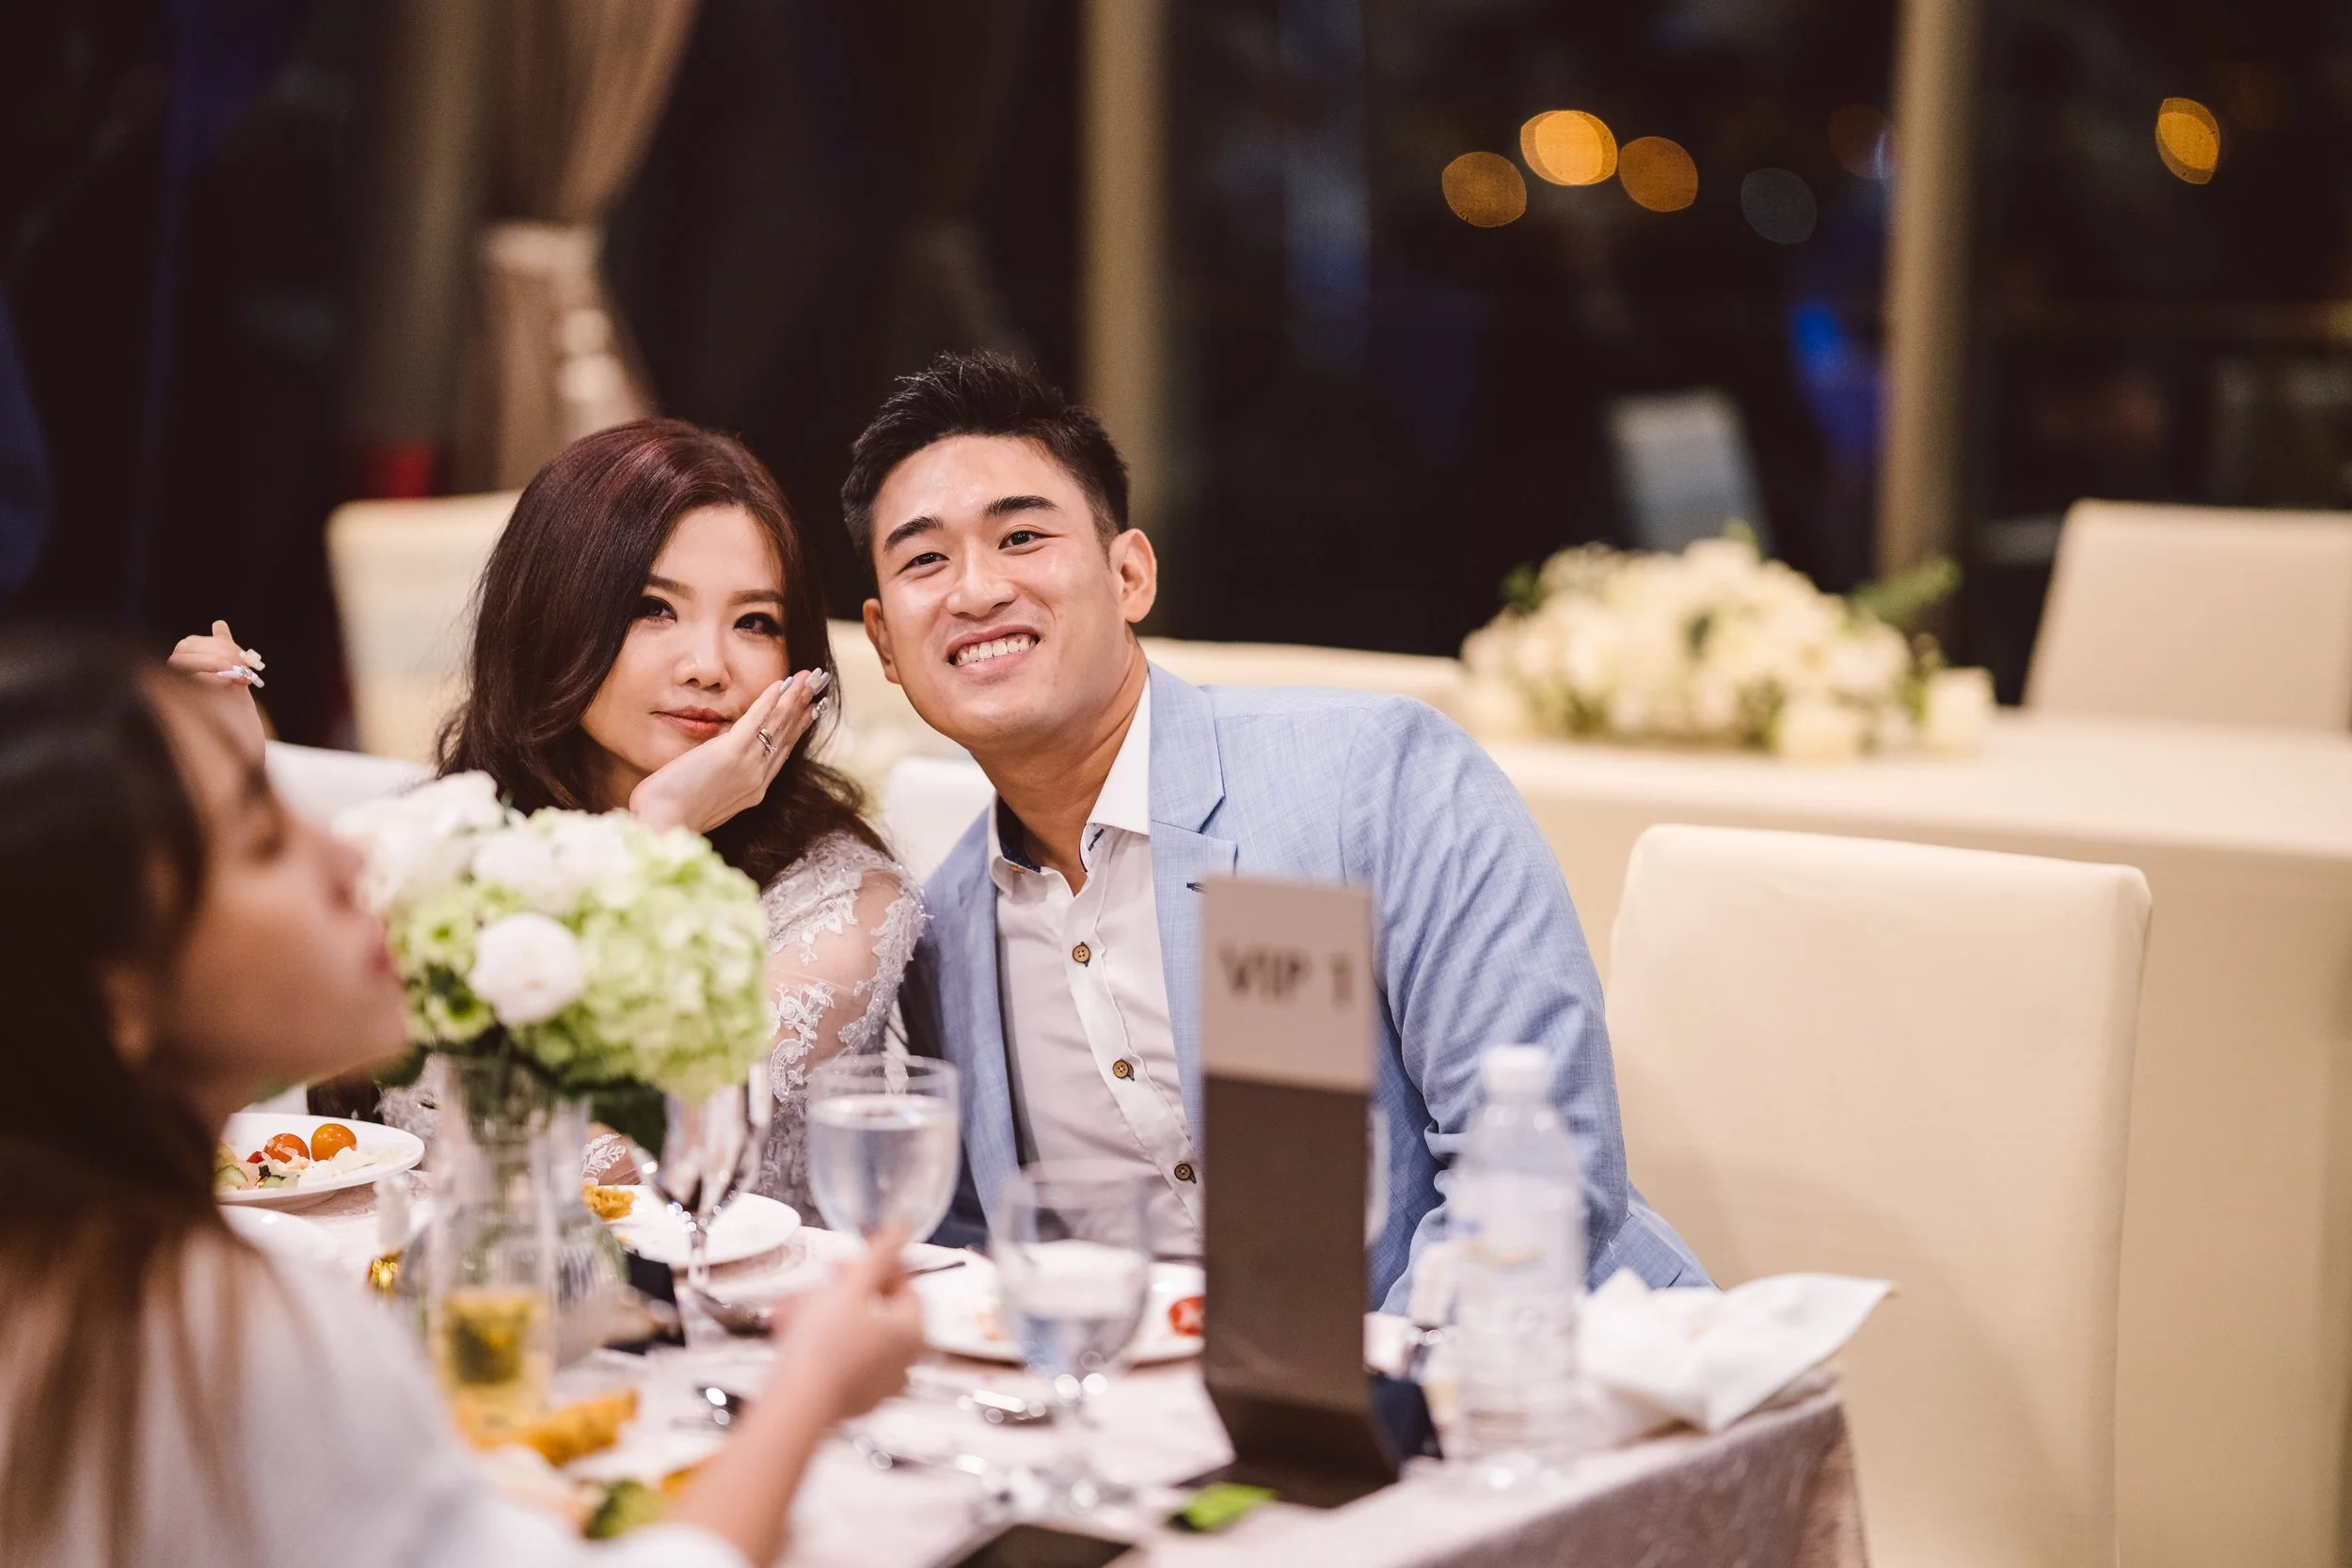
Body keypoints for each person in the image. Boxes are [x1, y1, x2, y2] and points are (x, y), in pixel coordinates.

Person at [0, 632, 924, 1568]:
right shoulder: (233, 1336)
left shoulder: (77, 1272)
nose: (343, 854)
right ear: (113, 995)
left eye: (756, 619)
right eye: (264, 835)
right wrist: (810, 1385)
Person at [844, 352, 1708, 1309]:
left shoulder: (1371, 779)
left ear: (1129, 574)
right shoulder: (944, 927)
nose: (974, 590)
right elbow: (984, 1244)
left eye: (1021, 536)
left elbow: (1542, 1173)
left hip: (1543, 1378)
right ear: (884, 641)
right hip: (1177, 1431)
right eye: (925, 558)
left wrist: (1355, 1415)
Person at [174, 421, 922, 1211]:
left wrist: (656, 830)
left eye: (755, 622)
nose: (708, 665)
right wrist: (219, 822)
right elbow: (248, 1095)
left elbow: (575, 1173)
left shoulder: (844, 904)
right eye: (653, 608)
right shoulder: (445, 840)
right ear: (552, 614)